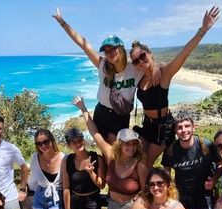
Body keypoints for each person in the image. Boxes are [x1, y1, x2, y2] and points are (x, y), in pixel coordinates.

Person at [53, 8, 160, 144]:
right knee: (104, 150)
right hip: (101, 113)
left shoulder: (134, 68)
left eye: (112, 48)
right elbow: (82, 43)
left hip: (120, 116)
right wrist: (62, 22)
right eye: (106, 50)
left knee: (115, 152)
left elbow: (152, 63)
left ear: (120, 48)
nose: (109, 53)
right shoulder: (102, 65)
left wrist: (155, 67)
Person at [130, 6, 220, 168]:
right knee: (135, 160)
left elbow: (184, 53)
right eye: (136, 61)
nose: (140, 63)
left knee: (144, 164)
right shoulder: (140, 76)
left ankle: (148, 192)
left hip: (162, 128)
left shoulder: (164, 73)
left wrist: (203, 30)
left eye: (142, 57)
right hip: (147, 126)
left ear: (150, 53)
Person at [161, 112, 222, 209]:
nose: (184, 130)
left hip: (202, 195)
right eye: (180, 127)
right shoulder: (171, 150)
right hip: (181, 196)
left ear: (194, 127)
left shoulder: (205, 145)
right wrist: (169, 190)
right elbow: (166, 171)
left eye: (187, 126)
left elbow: (220, 165)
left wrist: (214, 180)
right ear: (175, 131)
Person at [62, 128, 105, 209]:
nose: (78, 143)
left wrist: (91, 173)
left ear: (83, 140)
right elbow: (66, 187)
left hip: (92, 202)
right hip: (75, 203)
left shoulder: (96, 158)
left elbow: (101, 185)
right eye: (74, 142)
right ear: (69, 146)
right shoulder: (67, 160)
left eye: (79, 140)